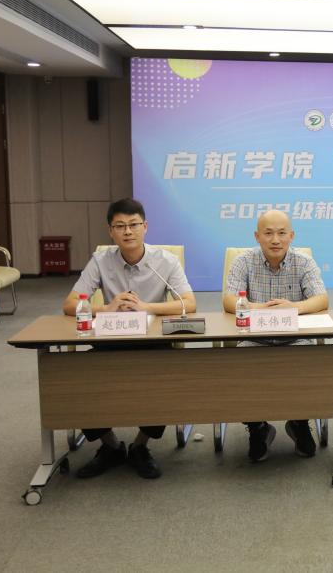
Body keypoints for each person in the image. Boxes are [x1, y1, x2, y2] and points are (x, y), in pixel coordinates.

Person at [63, 197, 196, 480]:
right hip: (110, 340)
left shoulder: (165, 261)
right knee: (77, 374)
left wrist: (147, 307)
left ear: (145, 227)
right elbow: (70, 304)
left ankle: (140, 446)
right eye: (120, 226)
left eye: (134, 225)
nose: (127, 231)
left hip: (153, 342)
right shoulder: (101, 261)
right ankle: (110, 446)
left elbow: (189, 303)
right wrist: (107, 308)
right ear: (110, 231)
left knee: (167, 375)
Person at [223, 209, 329, 462]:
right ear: (257, 236)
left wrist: (294, 307)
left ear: (291, 236)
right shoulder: (243, 261)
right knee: (240, 368)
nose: (275, 240)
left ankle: (299, 422)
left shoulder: (303, 262)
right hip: (254, 338)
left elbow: (321, 299)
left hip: (295, 338)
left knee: (309, 364)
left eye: (282, 233)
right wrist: (262, 308)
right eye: (268, 233)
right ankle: (258, 427)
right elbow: (229, 301)